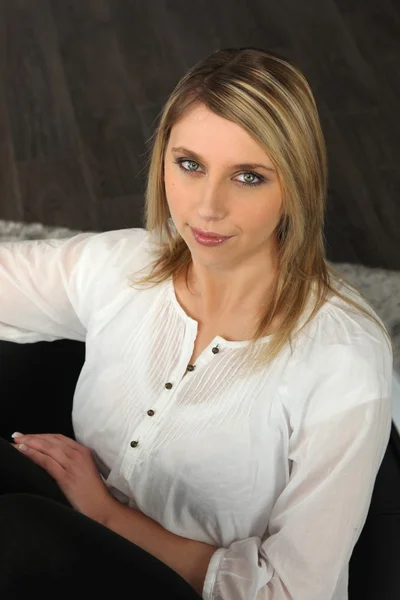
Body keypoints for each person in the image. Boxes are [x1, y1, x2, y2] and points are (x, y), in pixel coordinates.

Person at [0, 46, 394, 600]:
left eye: (249, 177)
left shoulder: (340, 360)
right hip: (73, 531)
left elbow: (290, 591)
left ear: (297, 186)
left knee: (15, 539)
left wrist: (107, 515)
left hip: (186, 588)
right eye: (190, 165)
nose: (208, 207)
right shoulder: (128, 267)